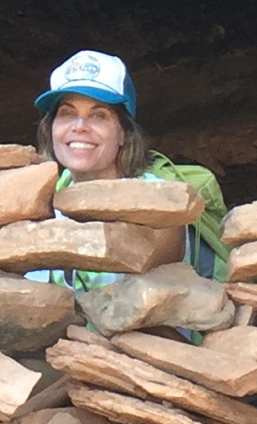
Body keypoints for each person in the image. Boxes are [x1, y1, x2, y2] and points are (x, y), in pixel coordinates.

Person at [33, 47, 226, 292]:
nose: (79, 126)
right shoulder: (43, 201)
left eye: (98, 115)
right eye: (67, 114)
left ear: (123, 133)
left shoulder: (157, 202)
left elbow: (142, 307)